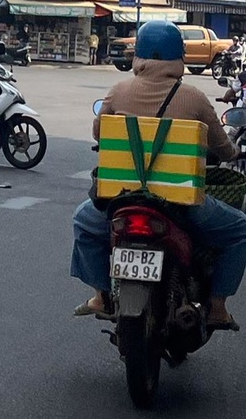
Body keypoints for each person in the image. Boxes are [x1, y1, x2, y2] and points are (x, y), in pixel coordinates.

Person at [71, 20, 246, 329]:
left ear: (138, 54)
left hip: (120, 200)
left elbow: (100, 133)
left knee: (82, 222)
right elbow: (222, 147)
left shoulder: (118, 91)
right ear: (179, 56)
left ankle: (100, 295)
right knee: (241, 229)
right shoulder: (193, 97)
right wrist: (232, 154)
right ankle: (218, 306)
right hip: (183, 205)